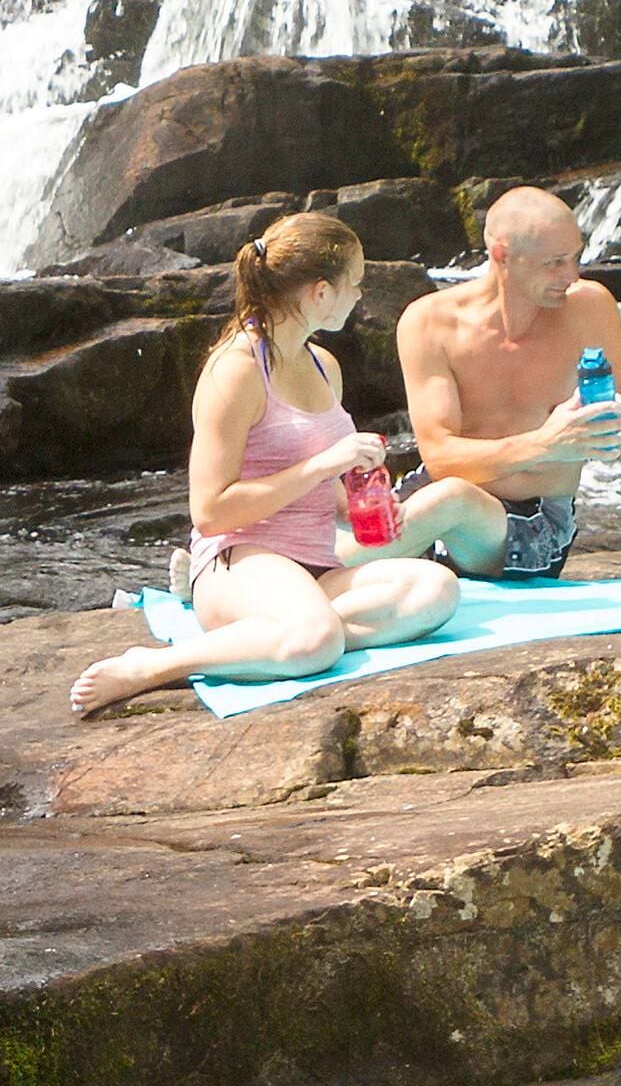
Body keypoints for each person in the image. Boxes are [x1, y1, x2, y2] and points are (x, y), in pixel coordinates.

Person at [71, 209, 468, 716]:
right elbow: (210, 511)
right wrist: (326, 465)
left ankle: (272, 634)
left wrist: (357, 506)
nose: (360, 296)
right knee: (315, 641)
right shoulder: (235, 371)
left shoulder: (324, 366)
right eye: (356, 283)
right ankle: (154, 665)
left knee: (436, 589)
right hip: (240, 557)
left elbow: (324, 485)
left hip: (316, 565)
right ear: (320, 293)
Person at [395, 184, 621, 578]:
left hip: (531, 526)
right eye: (554, 263)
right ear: (502, 254)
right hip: (430, 501)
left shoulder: (590, 309)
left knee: (454, 499)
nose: (571, 275)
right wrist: (545, 444)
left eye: (575, 257)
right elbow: (440, 457)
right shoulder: (429, 322)